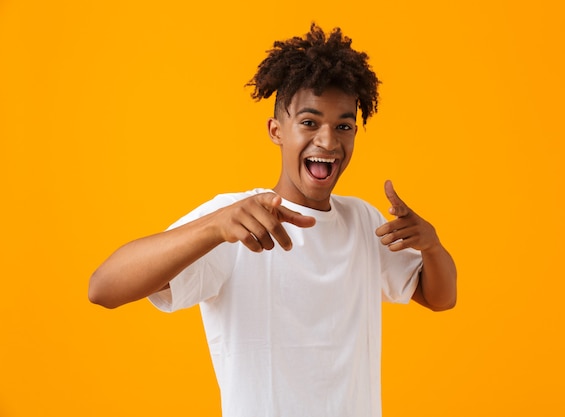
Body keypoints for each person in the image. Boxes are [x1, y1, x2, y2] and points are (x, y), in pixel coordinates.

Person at [89, 23, 457, 417]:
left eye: (344, 126)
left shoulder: (363, 220)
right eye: (310, 122)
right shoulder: (235, 219)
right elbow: (104, 288)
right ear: (276, 130)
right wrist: (213, 227)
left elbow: (440, 297)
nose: (329, 142)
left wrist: (431, 246)